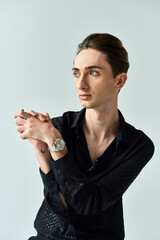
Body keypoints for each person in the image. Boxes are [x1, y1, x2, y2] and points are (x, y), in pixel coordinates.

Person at [14, 33, 155, 240]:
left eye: (93, 73)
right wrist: (41, 149)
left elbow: (88, 204)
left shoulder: (137, 146)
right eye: (76, 73)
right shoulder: (60, 126)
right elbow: (58, 206)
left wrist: (54, 142)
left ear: (119, 80)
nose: (81, 84)